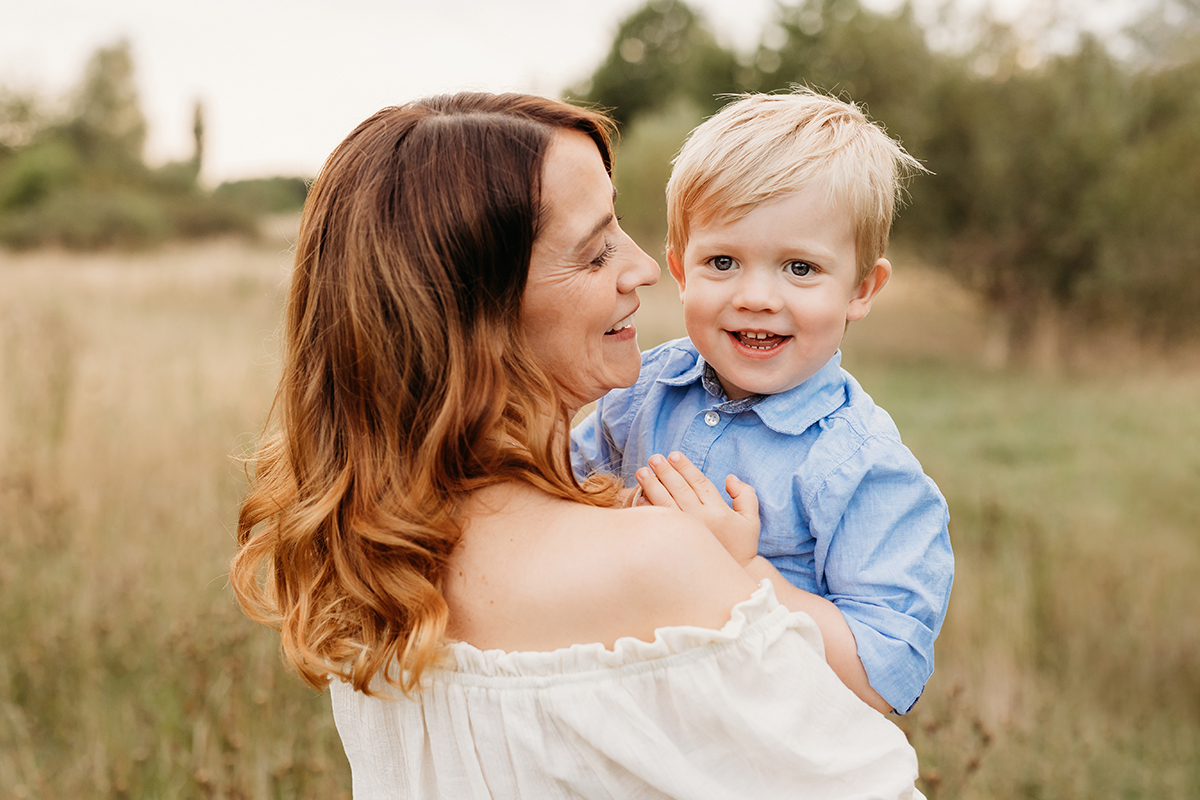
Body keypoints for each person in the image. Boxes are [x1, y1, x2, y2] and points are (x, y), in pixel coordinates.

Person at [230, 91, 926, 799]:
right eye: (596, 253)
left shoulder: (370, 558)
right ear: (482, 310)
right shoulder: (662, 557)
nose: (646, 269)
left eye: (621, 229)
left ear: (863, 288)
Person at [571, 90, 954, 715]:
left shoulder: (861, 466)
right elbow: (562, 495)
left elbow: (879, 677)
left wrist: (739, 567)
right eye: (723, 261)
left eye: (799, 269)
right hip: (634, 726)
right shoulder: (642, 390)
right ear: (680, 269)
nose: (755, 296)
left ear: (861, 288)